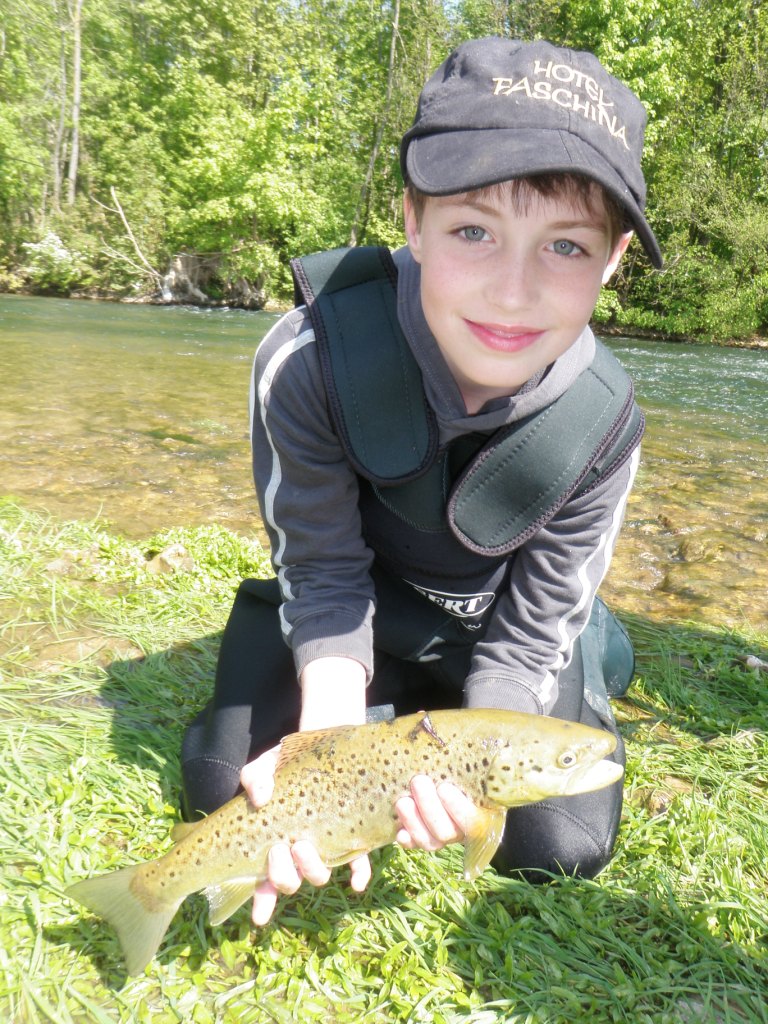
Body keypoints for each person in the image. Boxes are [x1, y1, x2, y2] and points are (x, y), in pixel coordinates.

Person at [180, 36, 662, 926]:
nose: (512, 292)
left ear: (614, 259)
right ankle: (396, 697)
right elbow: (323, 574)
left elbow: (526, 645)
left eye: (565, 245)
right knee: (224, 784)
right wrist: (328, 749)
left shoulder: (607, 423)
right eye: (474, 231)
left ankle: (598, 641)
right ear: (412, 220)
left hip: (499, 627)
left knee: (559, 843)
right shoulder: (308, 360)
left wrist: (478, 769)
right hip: (364, 606)